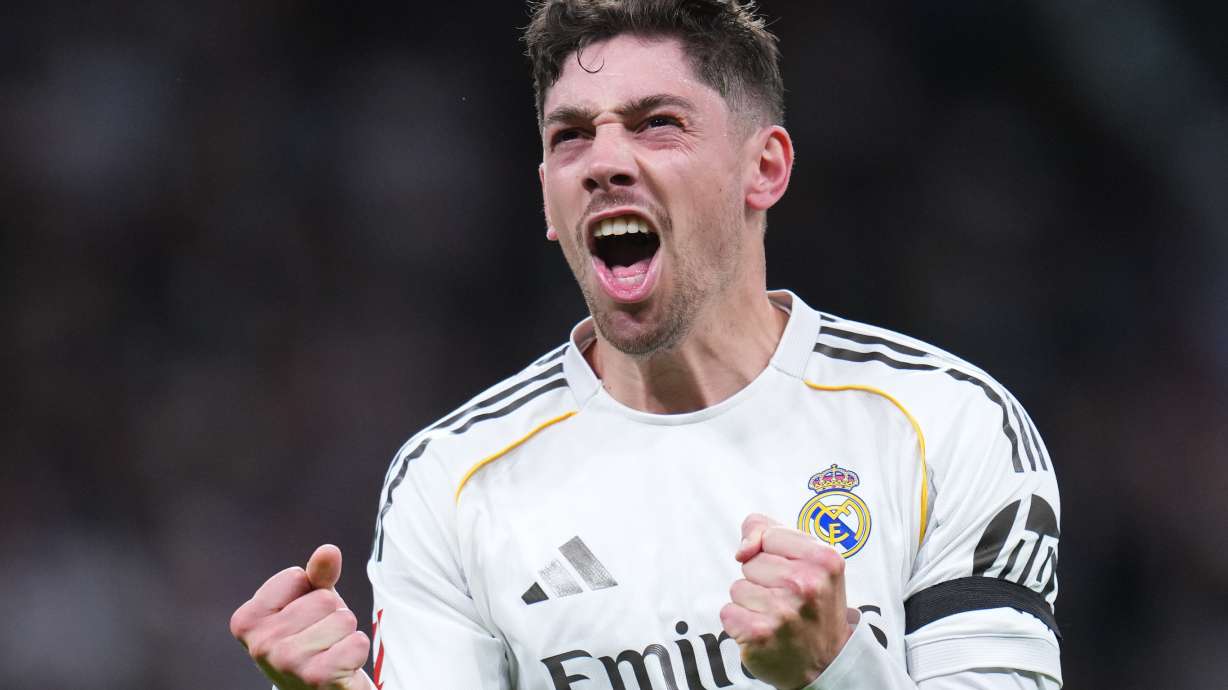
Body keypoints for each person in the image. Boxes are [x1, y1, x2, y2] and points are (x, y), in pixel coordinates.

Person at [229, 1, 1063, 688]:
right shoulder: (452, 485)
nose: (604, 161)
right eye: (571, 137)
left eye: (656, 124)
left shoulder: (945, 426)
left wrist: (833, 670)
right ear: (549, 207)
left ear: (763, 169)